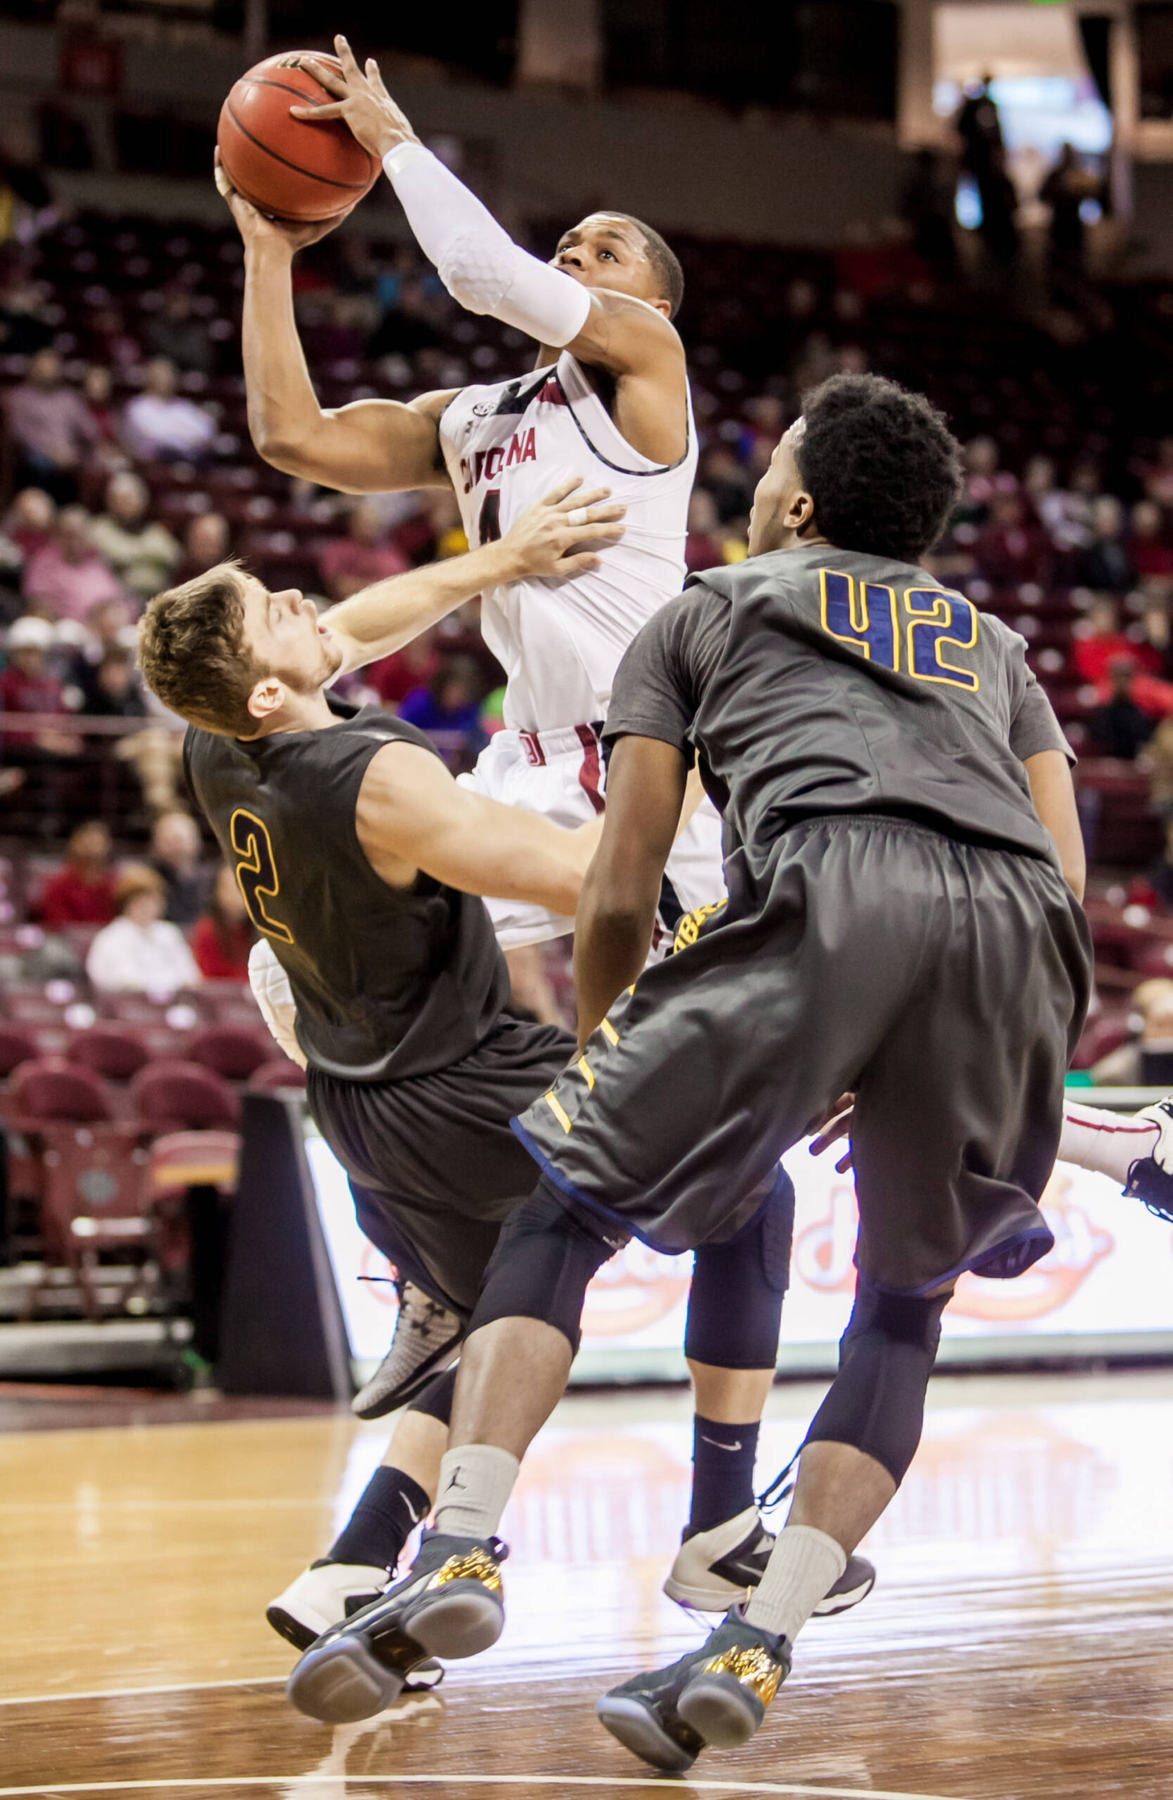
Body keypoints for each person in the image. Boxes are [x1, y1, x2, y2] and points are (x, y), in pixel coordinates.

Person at [285, 374, 1092, 1758]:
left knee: (560, 1208)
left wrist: (613, 1051)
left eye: (769, 460)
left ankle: (461, 1552)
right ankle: (754, 1634)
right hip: (1022, 943)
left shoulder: (709, 607)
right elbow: (1062, 869)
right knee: (904, 1306)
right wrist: (920, 1041)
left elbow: (620, 879)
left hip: (829, 888)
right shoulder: (998, 644)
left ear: (794, 502)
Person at [217, 34, 808, 1639]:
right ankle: (420, 1273)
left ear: (650, 305)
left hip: (658, 791)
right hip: (527, 772)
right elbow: (294, 438)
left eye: (607, 252)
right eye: (575, 243)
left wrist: (394, 138)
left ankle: (703, 1506)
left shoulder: (642, 379)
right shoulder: (483, 415)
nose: (579, 256)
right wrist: (271, 250)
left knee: (726, 1162)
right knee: (304, 987)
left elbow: (475, 266)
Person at [138, 487, 870, 1664]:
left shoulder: (216, 737)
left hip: (356, 1093)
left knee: (506, 1330)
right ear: (270, 688)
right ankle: (719, 1523)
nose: (296, 596)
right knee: (750, 1201)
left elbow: (359, 623)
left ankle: (355, 1570)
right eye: (266, 607)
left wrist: (501, 560)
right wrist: (685, 733)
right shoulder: (383, 783)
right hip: (465, 1081)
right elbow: (593, 872)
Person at [86, 863, 201, 997]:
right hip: (128, 1008)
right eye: (139, 901)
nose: (147, 906)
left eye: (153, 900)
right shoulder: (110, 937)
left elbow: (191, 977)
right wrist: (165, 984)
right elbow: (124, 981)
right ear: (126, 903)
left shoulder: (169, 933)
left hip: (174, 1005)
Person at [5, 348, 98, 501]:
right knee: (39, 463)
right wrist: (52, 451)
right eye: (44, 366)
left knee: (96, 463)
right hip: (36, 455)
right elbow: (19, 434)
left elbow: (90, 431)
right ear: (33, 367)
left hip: (70, 453)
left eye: (53, 366)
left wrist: (72, 451)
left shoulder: (68, 398)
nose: (49, 370)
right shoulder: (19, 397)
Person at [21, 505, 126, 623]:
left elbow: (117, 598)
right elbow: (38, 604)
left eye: (80, 534)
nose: (75, 541)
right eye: (69, 535)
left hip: (106, 628)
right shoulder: (43, 562)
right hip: (65, 629)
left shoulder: (96, 561)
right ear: (57, 535)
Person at [88, 472, 181, 604]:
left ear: (143, 502)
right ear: (109, 502)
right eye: (119, 500)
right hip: (117, 601)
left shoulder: (156, 531)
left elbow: (173, 556)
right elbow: (114, 555)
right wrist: (151, 556)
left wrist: (129, 557)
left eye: (129, 499)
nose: (124, 505)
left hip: (158, 598)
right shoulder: (99, 529)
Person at [121, 357, 216, 463]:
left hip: (189, 458)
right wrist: (184, 435)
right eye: (160, 375)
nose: (166, 379)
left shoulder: (182, 406)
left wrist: (174, 433)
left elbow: (205, 431)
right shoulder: (138, 406)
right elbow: (155, 436)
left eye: (169, 375)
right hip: (154, 462)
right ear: (150, 377)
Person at [318, 498, 410, 601]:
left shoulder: (392, 555)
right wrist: (377, 587)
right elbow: (340, 587)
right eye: (365, 522)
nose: (370, 527)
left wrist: (360, 585)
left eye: (374, 523)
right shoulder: (336, 551)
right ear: (353, 523)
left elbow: (401, 587)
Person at [34, 819, 116, 926]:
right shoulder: (57, 885)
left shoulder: (113, 886)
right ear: (75, 844)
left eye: (98, 843)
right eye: (89, 843)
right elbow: (56, 924)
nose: (93, 849)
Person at [191, 863, 256, 981]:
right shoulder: (207, 931)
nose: (236, 895)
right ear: (216, 891)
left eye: (241, 888)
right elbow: (209, 979)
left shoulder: (263, 931)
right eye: (229, 888)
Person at [149, 808, 211, 927]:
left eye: (179, 839)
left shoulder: (211, 879)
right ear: (155, 842)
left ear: (195, 840)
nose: (175, 847)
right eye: (168, 840)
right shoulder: (148, 878)